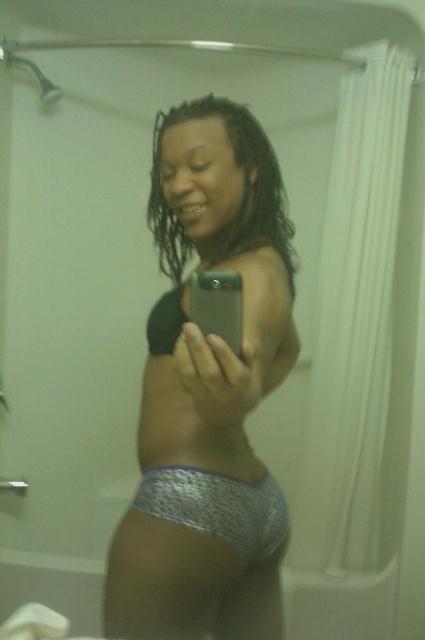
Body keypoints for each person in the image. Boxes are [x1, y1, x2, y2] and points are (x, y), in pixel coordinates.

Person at [103, 94, 301, 640]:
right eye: (168, 173)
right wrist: (243, 394)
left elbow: (230, 397)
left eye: (198, 165)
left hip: (189, 507)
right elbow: (288, 349)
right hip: (256, 502)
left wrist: (230, 400)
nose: (178, 185)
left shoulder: (247, 275)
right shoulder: (260, 262)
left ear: (250, 169)